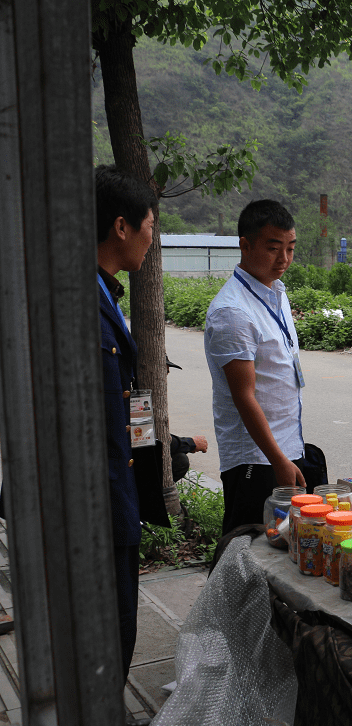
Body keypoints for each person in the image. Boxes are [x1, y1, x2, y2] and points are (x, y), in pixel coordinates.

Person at [205, 200, 311, 535]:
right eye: (273, 248)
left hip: (283, 448)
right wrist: (278, 459)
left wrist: (286, 456)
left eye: (290, 249)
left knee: (280, 551)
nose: (283, 259)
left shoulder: (276, 293)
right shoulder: (232, 312)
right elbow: (243, 396)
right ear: (245, 245)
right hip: (256, 458)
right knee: (244, 548)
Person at [94, 164, 157, 678]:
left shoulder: (102, 295)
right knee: (110, 639)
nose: (151, 240)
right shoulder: (84, 306)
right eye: (150, 226)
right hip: (102, 505)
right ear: (122, 226)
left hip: (117, 497)